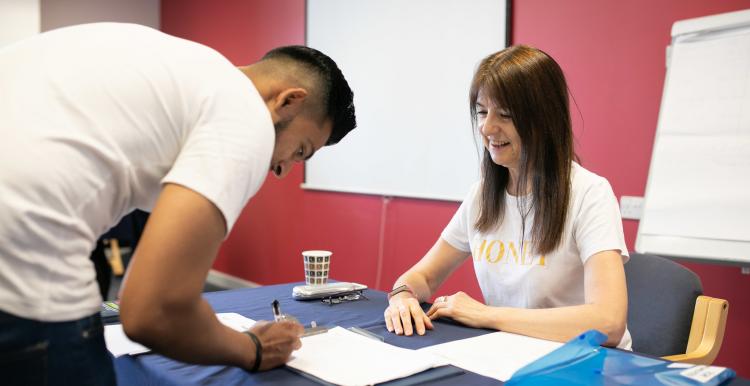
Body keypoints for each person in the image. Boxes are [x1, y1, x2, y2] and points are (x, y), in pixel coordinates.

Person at [0, 22, 356, 385]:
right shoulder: (244, 116)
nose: (282, 170)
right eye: (300, 150)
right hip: (22, 281)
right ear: (287, 101)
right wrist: (254, 348)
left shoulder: (177, 64)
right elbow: (153, 312)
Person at [383, 45, 631, 349]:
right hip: (511, 355)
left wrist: (487, 315)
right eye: (482, 112)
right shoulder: (481, 197)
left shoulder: (590, 193)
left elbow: (608, 323)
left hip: (585, 363)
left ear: (544, 120)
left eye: (505, 114)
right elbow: (422, 276)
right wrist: (402, 296)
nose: (487, 127)